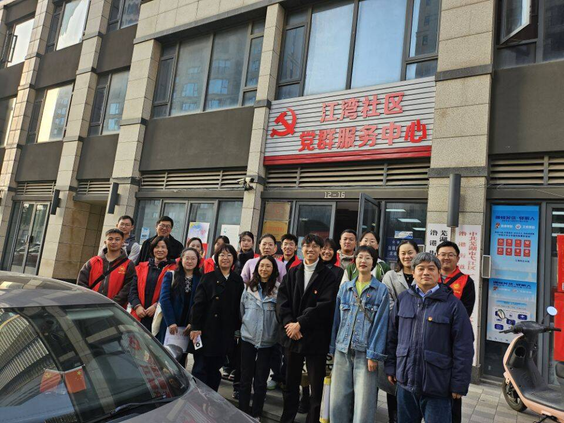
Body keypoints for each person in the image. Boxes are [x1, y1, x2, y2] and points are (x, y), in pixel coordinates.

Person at [385, 252, 474, 423]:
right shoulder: (403, 299)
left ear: (439, 273)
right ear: (413, 272)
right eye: (421, 268)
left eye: (431, 268)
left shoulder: (453, 304)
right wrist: (391, 366)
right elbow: (392, 336)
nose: (426, 272)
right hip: (405, 382)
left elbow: (464, 346)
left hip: (438, 386)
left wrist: (459, 383)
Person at [276, 233, 338, 423]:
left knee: (315, 385)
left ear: (320, 250)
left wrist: (300, 323)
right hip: (291, 336)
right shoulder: (293, 272)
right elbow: (282, 301)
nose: (310, 250)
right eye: (307, 246)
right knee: (290, 382)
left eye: (315, 246)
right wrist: (290, 324)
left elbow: (325, 305)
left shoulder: (329, 275)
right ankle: (287, 418)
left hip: (315, 337)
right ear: (301, 249)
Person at [329, 246, 390, 423]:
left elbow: (381, 324)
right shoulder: (345, 288)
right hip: (342, 350)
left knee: (364, 403)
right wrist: (333, 348)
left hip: (366, 354)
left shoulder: (381, 290)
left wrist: (374, 354)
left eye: (368, 258)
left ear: (374, 263)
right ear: (354, 261)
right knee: (338, 400)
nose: (363, 261)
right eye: (360, 257)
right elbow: (336, 320)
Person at [190, 244, 244, 391]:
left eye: (229, 255)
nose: (225, 258)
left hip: (225, 331)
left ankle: (211, 397)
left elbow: (238, 308)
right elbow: (198, 304)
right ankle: (197, 396)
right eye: (222, 255)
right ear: (216, 258)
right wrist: (195, 327)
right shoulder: (208, 278)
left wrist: (237, 330)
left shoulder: (237, 280)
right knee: (200, 367)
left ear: (234, 259)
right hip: (206, 330)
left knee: (215, 367)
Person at [436, 240, 476, 423]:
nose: (446, 258)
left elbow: (465, 312)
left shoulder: (466, 281)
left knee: (452, 392)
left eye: (450, 255)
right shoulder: (430, 277)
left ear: (458, 258)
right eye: (442, 254)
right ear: (436, 256)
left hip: (453, 340)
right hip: (432, 339)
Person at [380, 239, 419, 422]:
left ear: (417, 253)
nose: (407, 256)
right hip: (397, 331)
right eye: (403, 253)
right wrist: (408, 316)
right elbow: (388, 303)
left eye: (410, 252)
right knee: (394, 376)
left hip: (418, 334)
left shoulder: (422, 274)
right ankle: (393, 418)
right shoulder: (390, 276)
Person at [239, 255, 280, 418]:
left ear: (273, 269)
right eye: (261, 266)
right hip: (248, 338)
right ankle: (242, 413)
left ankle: (256, 415)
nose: (264, 269)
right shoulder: (249, 287)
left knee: (261, 381)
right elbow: (242, 309)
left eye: (268, 266)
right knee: (245, 379)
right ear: (257, 269)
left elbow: (279, 315)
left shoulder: (278, 289)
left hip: (267, 341)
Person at [77, 229, 136, 307]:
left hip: (114, 308)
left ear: (122, 242)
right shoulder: (93, 261)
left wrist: (113, 304)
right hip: (90, 306)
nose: (113, 242)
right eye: (110, 239)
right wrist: (89, 300)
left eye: (117, 239)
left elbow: (128, 288)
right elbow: (81, 283)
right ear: (105, 242)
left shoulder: (128, 264)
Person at [129, 236, 177, 331]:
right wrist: (137, 306)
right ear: (152, 249)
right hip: (139, 314)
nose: (160, 250)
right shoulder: (140, 267)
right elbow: (132, 290)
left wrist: (156, 306)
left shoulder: (174, 270)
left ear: (168, 250)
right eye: (157, 247)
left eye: (163, 247)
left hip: (160, 315)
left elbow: (174, 293)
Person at [157, 248, 201, 348]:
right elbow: (164, 299)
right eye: (187, 258)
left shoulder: (201, 279)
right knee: (165, 351)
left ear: (197, 261)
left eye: (193, 259)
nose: (190, 261)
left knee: (182, 352)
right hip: (170, 323)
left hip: (187, 325)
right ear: (181, 260)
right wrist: (171, 322)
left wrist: (193, 323)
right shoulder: (170, 275)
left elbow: (200, 303)